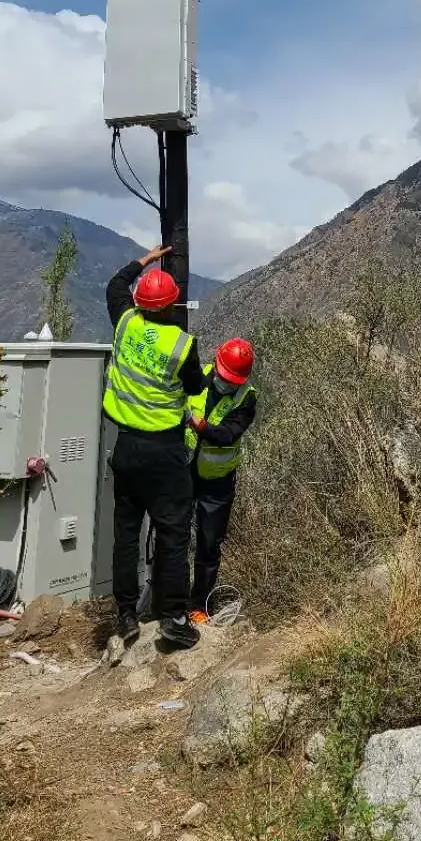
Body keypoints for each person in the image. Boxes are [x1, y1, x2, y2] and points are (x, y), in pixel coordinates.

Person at [103, 243, 209, 649]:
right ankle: (174, 618)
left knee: (126, 535)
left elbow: (115, 284)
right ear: (171, 306)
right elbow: (196, 387)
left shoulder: (125, 323)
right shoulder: (181, 345)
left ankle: (126, 616)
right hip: (165, 453)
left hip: (127, 449)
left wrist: (143, 261)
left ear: (140, 302)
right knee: (172, 535)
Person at [184, 337, 258, 625]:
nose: (226, 384)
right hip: (185, 469)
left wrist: (200, 426)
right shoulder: (200, 376)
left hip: (218, 482)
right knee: (174, 535)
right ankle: (169, 599)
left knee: (208, 544)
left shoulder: (246, 398)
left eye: (233, 381)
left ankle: (199, 604)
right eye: (224, 377)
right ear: (216, 364)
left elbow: (229, 434)